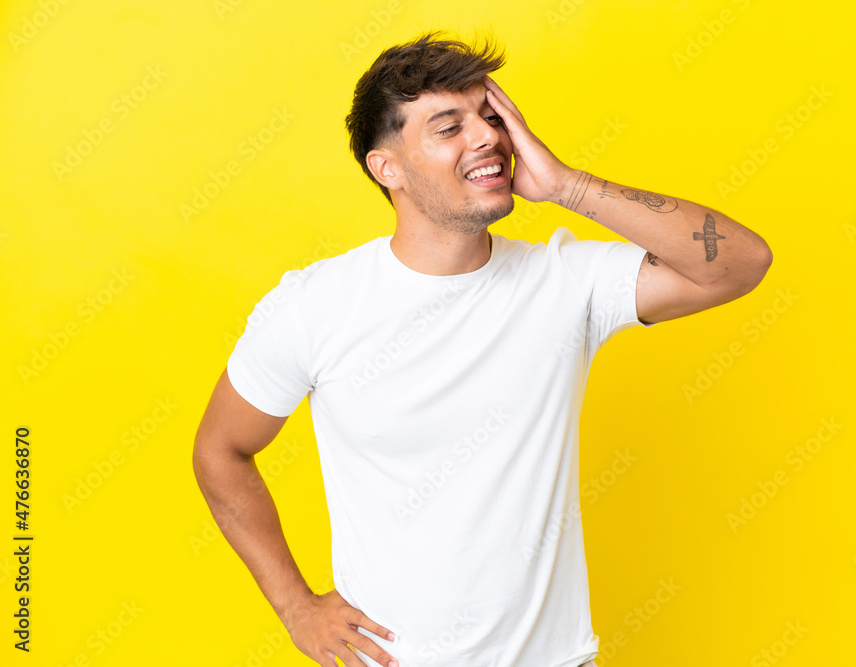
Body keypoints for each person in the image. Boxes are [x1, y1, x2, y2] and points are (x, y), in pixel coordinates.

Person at [192, 30, 772, 667]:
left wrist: (567, 187)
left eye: (491, 117)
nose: (487, 137)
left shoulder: (568, 281)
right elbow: (221, 450)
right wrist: (297, 607)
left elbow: (739, 264)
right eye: (449, 126)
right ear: (387, 168)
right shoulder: (314, 306)